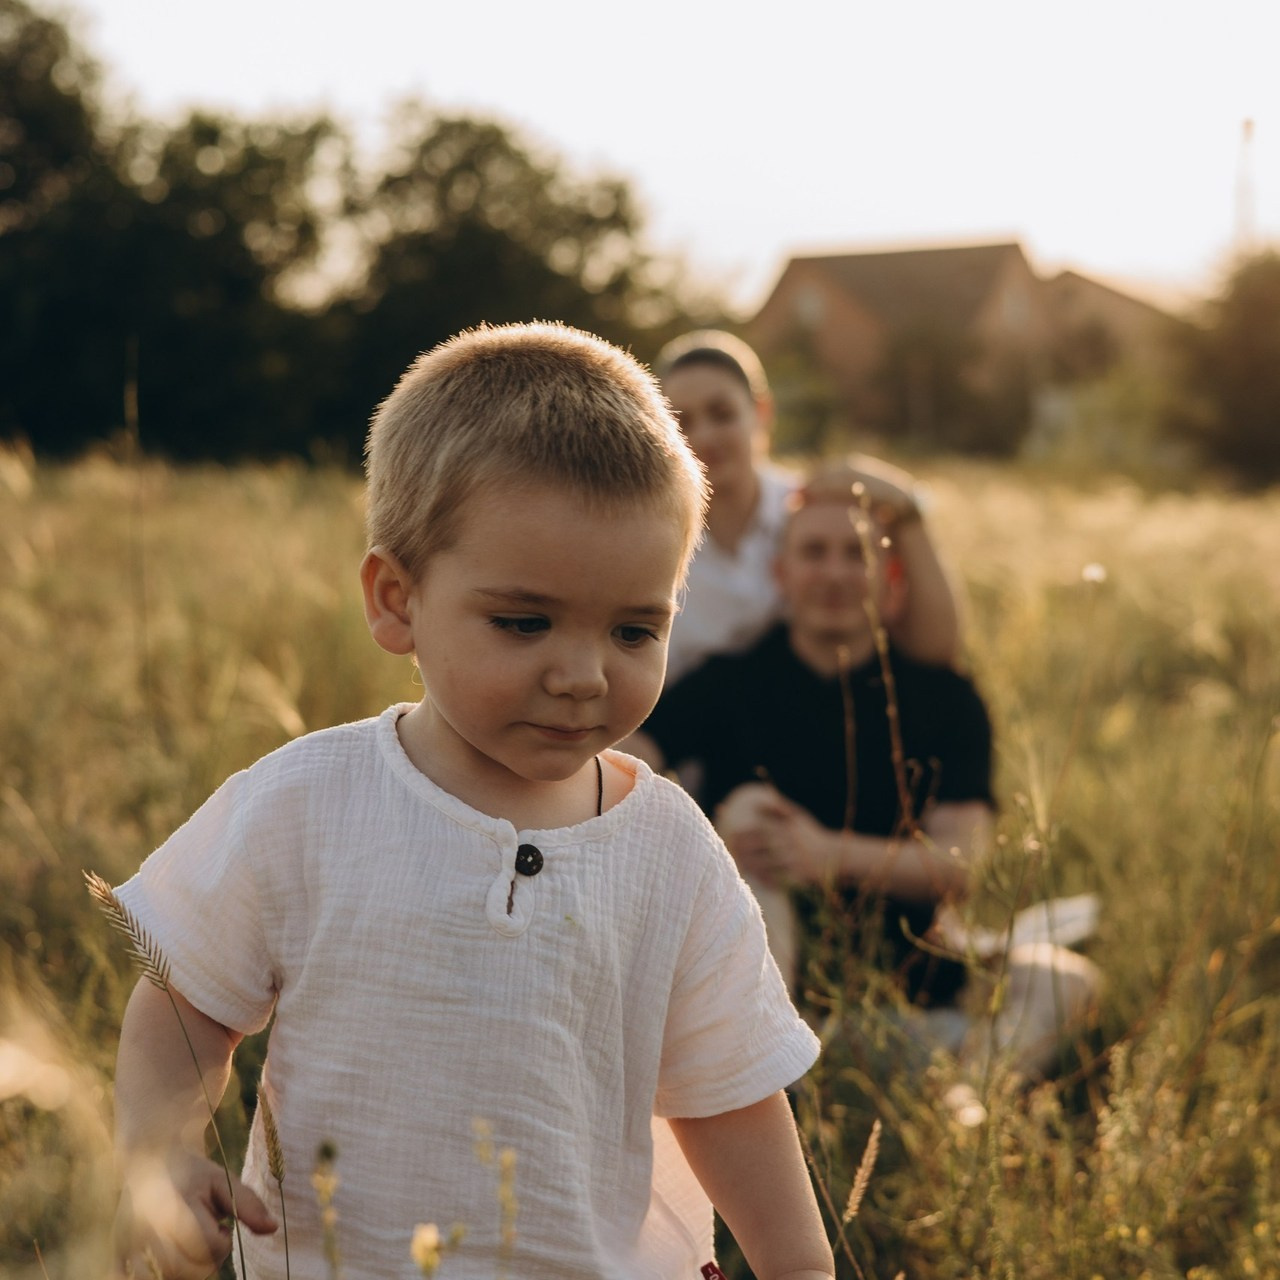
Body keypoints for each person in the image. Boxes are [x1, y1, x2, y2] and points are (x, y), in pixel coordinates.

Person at [107, 324, 834, 1280]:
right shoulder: (309, 802)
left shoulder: (670, 851)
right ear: (397, 600)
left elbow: (728, 1096)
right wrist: (159, 1150)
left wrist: (801, 1266)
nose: (582, 675)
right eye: (524, 622)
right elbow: (183, 995)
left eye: (633, 629)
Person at [628, 462, 1099, 1092]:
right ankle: (773, 1085)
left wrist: (829, 855)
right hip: (764, 988)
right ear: (782, 574)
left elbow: (960, 864)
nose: (834, 573)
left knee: (1067, 979)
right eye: (813, 553)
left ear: (890, 580)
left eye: (856, 554)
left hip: (916, 993)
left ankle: (971, 1105)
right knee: (747, 814)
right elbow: (623, 759)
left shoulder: (943, 697)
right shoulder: (726, 682)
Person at [656, 330, 962, 684]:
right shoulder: (651, 537)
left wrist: (908, 506)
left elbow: (936, 650)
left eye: (722, 414)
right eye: (682, 422)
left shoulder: (816, 510)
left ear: (761, 412)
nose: (704, 436)